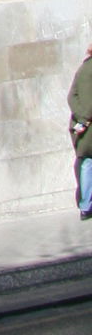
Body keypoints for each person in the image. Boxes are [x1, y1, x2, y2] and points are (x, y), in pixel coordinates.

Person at [70, 38, 92, 220]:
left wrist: (81, 118)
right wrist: (86, 116)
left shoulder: (82, 69)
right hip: (89, 125)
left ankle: (85, 205)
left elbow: (71, 97)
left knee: (86, 164)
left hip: (83, 126)